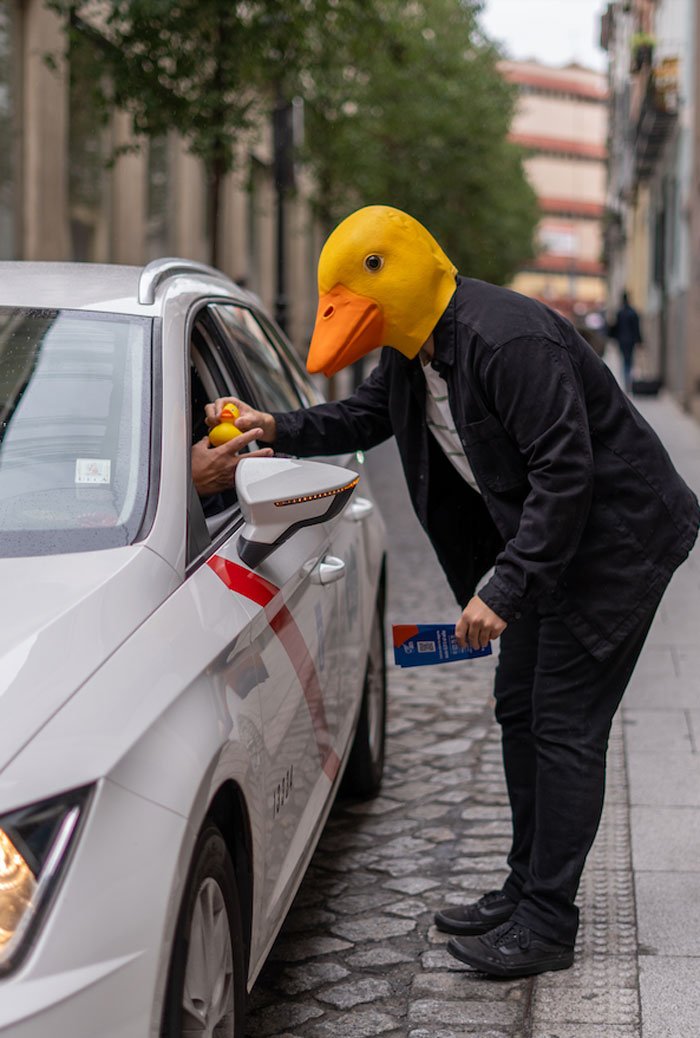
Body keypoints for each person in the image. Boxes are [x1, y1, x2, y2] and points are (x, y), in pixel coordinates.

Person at [206, 205, 700, 978]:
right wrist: (274, 427)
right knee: (519, 705)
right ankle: (525, 886)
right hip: (548, 551)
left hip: (614, 546)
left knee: (564, 724)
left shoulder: (507, 342)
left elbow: (565, 477)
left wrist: (503, 589)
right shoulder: (415, 351)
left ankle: (546, 921)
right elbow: (363, 416)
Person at [609, 291, 643, 394]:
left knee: (624, 361)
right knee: (629, 361)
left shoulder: (620, 313)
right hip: (631, 341)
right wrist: (639, 341)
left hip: (622, 340)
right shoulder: (633, 312)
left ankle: (625, 383)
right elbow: (637, 328)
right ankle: (628, 383)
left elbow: (615, 327)